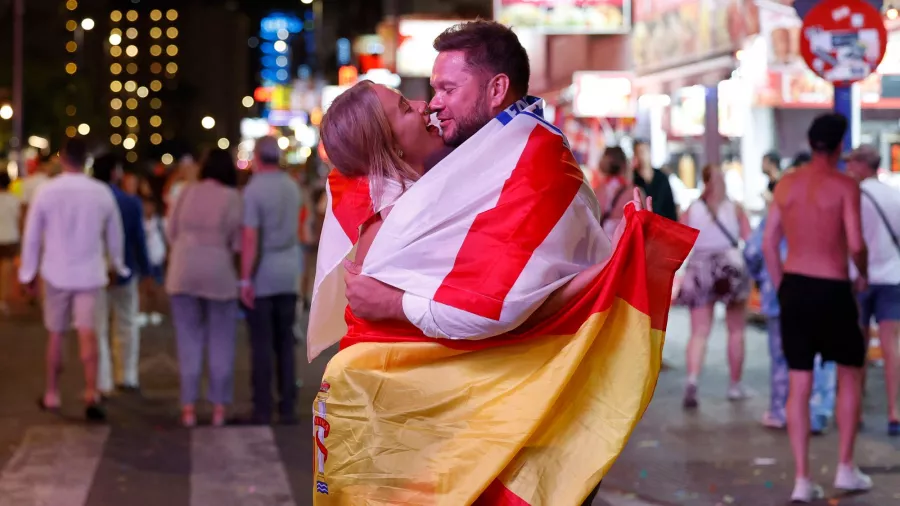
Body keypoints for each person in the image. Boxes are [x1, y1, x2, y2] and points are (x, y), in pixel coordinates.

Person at [312, 21, 685, 506]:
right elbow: (503, 302)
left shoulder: (523, 163)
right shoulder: (431, 192)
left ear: (496, 89)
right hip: (451, 424)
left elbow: (509, 303)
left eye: (446, 88)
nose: (430, 104)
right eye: (414, 102)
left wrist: (616, 265)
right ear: (387, 144)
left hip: (519, 409)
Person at [764, 113, 872, 502]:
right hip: (833, 288)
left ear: (811, 144)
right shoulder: (846, 186)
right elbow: (856, 243)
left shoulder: (786, 185)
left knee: (799, 381)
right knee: (849, 374)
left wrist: (782, 287)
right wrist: (861, 274)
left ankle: (802, 481)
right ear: (840, 146)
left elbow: (768, 244)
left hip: (795, 287)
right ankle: (845, 468)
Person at [19, 137, 128, 421]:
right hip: (90, 272)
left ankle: (52, 393)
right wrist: (117, 264)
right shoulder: (101, 192)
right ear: (86, 160)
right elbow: (115, 234)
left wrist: (27, 273)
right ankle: (92, 391)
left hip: (55, 271)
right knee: (87, 332)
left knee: (56, 333)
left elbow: (32, 236)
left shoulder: (46, 192)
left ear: (62, 158)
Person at [165, 149, 242, 427]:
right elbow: (237, 242)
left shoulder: (186, 191)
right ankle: (219, 408)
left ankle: (188, 407)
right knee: (221, 339)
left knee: (188, 341)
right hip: (219, 272)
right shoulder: (232, 198)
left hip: (182, 270)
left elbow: (170, 230)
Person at [745, 214, 836, 433]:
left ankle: (780, 411)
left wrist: (763, 277)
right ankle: (816, 413)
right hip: (819, 291)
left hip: (778, 296)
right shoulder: (825, 210)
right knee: (819, 355)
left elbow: (753, 251)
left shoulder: (778, 211)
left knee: (781, 357)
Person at [677, 164, 752, 409]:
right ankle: (734, 385)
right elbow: (750, 242)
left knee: (699, 331)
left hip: (700, 268)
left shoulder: (692, 209)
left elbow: (679, 239)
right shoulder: (736, 209)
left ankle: (692, 380)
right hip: (731, 267)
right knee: (736, 330)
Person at [240, 136, 302, 425]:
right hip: (289, 270)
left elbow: (250, 238)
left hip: (263, 272)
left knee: (262, 342)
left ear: (258, 157)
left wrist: (244, 279)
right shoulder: (292, 187)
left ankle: (262, 406)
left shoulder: (253, 191)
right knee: (285, 341)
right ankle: (287, 403)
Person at [846, 144, 900, 436]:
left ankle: (855, 413)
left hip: (860, 279)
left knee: (858, 347)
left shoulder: (854, 196)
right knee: (891, 346)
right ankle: (894, 411)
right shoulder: (894, 195)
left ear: (860, 165)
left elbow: (852, 242)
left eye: (851, 163)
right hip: (892, 279)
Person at [92, 153, 151, 395]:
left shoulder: (89, 202)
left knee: (98, 328)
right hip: (125, 270)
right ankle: (127, 375)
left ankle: (102, 379)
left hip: (94, 272)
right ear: (116, 173)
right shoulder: (130, 202)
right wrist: (147, 271)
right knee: (126, 323)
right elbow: (139, 239)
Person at [594, 146, 642, 238]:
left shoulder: (596, 192)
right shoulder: (635, 192)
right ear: (624, 165)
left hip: (603, 247)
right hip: (625, 247)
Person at [633, 138, 678, 221]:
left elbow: (670, 206)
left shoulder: (661, 177)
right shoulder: (633, 179)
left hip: (662, 226)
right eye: (639, 152)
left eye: (644, 151)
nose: (642, 156)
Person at [141, 195, 167, 326]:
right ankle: (143, 311)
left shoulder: (160, 222)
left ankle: (155, 311)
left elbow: (167, 239)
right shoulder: (139, 222)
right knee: (144, 285)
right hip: (144, 258)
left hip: (157, 257)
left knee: (156, 286)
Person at [0, 171, 21, 315]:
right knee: (7, 270)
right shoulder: (14, 200)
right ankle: (3, 300)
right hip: (10, 237)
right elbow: (20, 220)